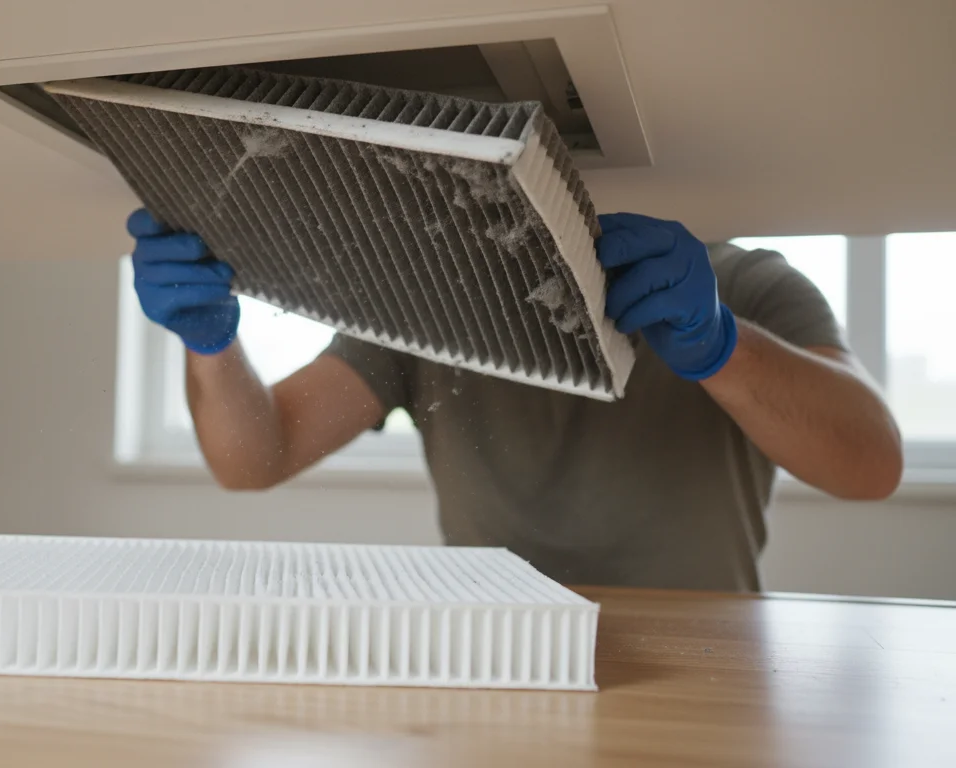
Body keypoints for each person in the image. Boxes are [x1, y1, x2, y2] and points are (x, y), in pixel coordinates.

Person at [124, 208, 903, 591]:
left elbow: (871, 465)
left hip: (706, 649)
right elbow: (257, 455)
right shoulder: (431, 301)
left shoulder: (738, 283)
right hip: (495, 650)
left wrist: (723, 343)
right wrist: (212, 347)